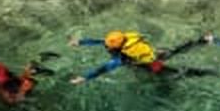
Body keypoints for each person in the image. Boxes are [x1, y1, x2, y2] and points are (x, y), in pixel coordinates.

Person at [68, 30, 212, 84]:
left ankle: (206, 73)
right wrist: (79, 42)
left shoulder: (123, 57)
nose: (106, 47)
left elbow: (104, 68)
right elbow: (98, 41)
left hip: (152, 64)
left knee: (176, 74)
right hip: (156, 52)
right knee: (176, 50)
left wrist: (85, 77)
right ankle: (203, 40)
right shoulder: (124, 39)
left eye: (109, 47)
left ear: (116, 47)